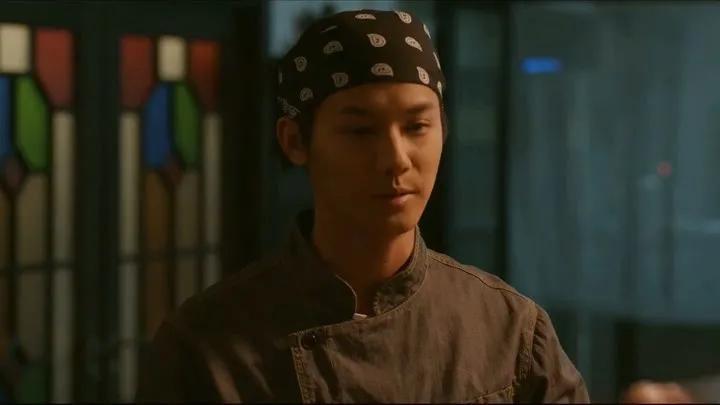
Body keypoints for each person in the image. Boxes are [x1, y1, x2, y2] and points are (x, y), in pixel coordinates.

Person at [135, 9, 589, 403]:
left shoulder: (510, 332)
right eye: (360, 130)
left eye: (417, 126)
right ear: (295, 141)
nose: (395, 158)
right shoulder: (205, 348)